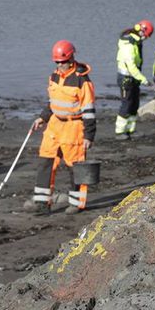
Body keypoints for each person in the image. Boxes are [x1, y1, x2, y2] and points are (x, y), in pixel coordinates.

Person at [29, 40, 96, 215]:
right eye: (57, 62)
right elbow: (52, 102)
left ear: (71, 58)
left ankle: (76, 203)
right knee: (46, 161)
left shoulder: (82, 81)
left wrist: (89, 135)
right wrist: (42, 118)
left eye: (62, 62)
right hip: (54, 125)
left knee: (75, 166)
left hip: (74, 127)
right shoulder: (54, 76)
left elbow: (89, 110)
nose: (60, 65)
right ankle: (42, 202)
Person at [115, 19, 154, 140]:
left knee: (134, 104)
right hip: (126, 78)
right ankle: (120, 131)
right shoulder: (129, 45)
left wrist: (138, 78)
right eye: (146, 36)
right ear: (142, 32)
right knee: (126, 104)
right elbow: (131, 66)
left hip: (133, 78)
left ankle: (131, 129)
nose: (146, 39)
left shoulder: (136, 43)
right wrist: (143, 79)